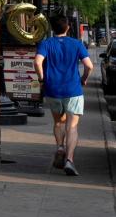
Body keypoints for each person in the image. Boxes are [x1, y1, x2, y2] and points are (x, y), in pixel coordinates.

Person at [35, 15, 93, 176]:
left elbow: (37, 62)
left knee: (58, 123)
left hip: (52, 89)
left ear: (52, 28)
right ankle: (69, 160)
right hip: (73, 90)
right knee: (72, 126)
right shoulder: (76, 44)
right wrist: (84, 79)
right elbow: (89, 65)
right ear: (68, 27)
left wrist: (42, 79)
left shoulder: (46, 44)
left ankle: (60, 146)